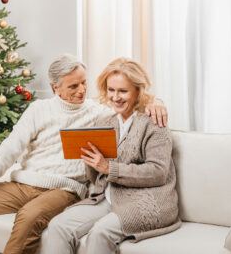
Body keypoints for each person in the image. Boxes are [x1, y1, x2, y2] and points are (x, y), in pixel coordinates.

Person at [0, 54, 168, 254]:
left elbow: (130, 102)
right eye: (73, 86)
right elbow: (8, 150)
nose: (81, 91)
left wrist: (156, 102)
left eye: (83, 83)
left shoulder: (99, 113)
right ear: (55, 88)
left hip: (66, 189)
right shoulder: (38, 110)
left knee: (28, 217)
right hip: (24, 185)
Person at [40, 58, 181, 254]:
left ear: (137, 91)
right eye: (111, 90)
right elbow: (95, 177)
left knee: (100, 233)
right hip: (108, 196)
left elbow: (158, 172)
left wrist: (108, 167)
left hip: (147, 201)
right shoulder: (105, 119)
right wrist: (91, 160)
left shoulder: (154, 123)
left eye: (123, 91)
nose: (116, 97)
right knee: (58, 227)